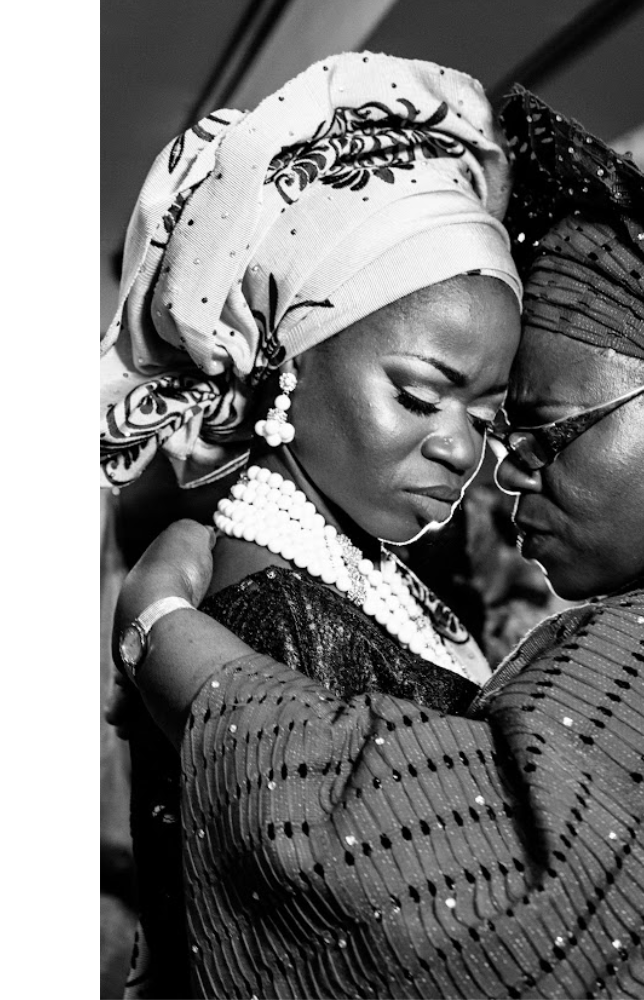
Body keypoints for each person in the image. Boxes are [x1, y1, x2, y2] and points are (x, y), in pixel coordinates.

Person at [113, 86, 644, 999]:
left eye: (536, 429)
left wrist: (162, 634)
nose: (494, 466)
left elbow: (439, 900)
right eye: (423, 396)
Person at [101, 52, 523, 997]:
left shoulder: (352, 570)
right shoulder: (268, 612)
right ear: (290, 356)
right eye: (419, 395)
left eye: (486, 416)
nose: (461, 448)